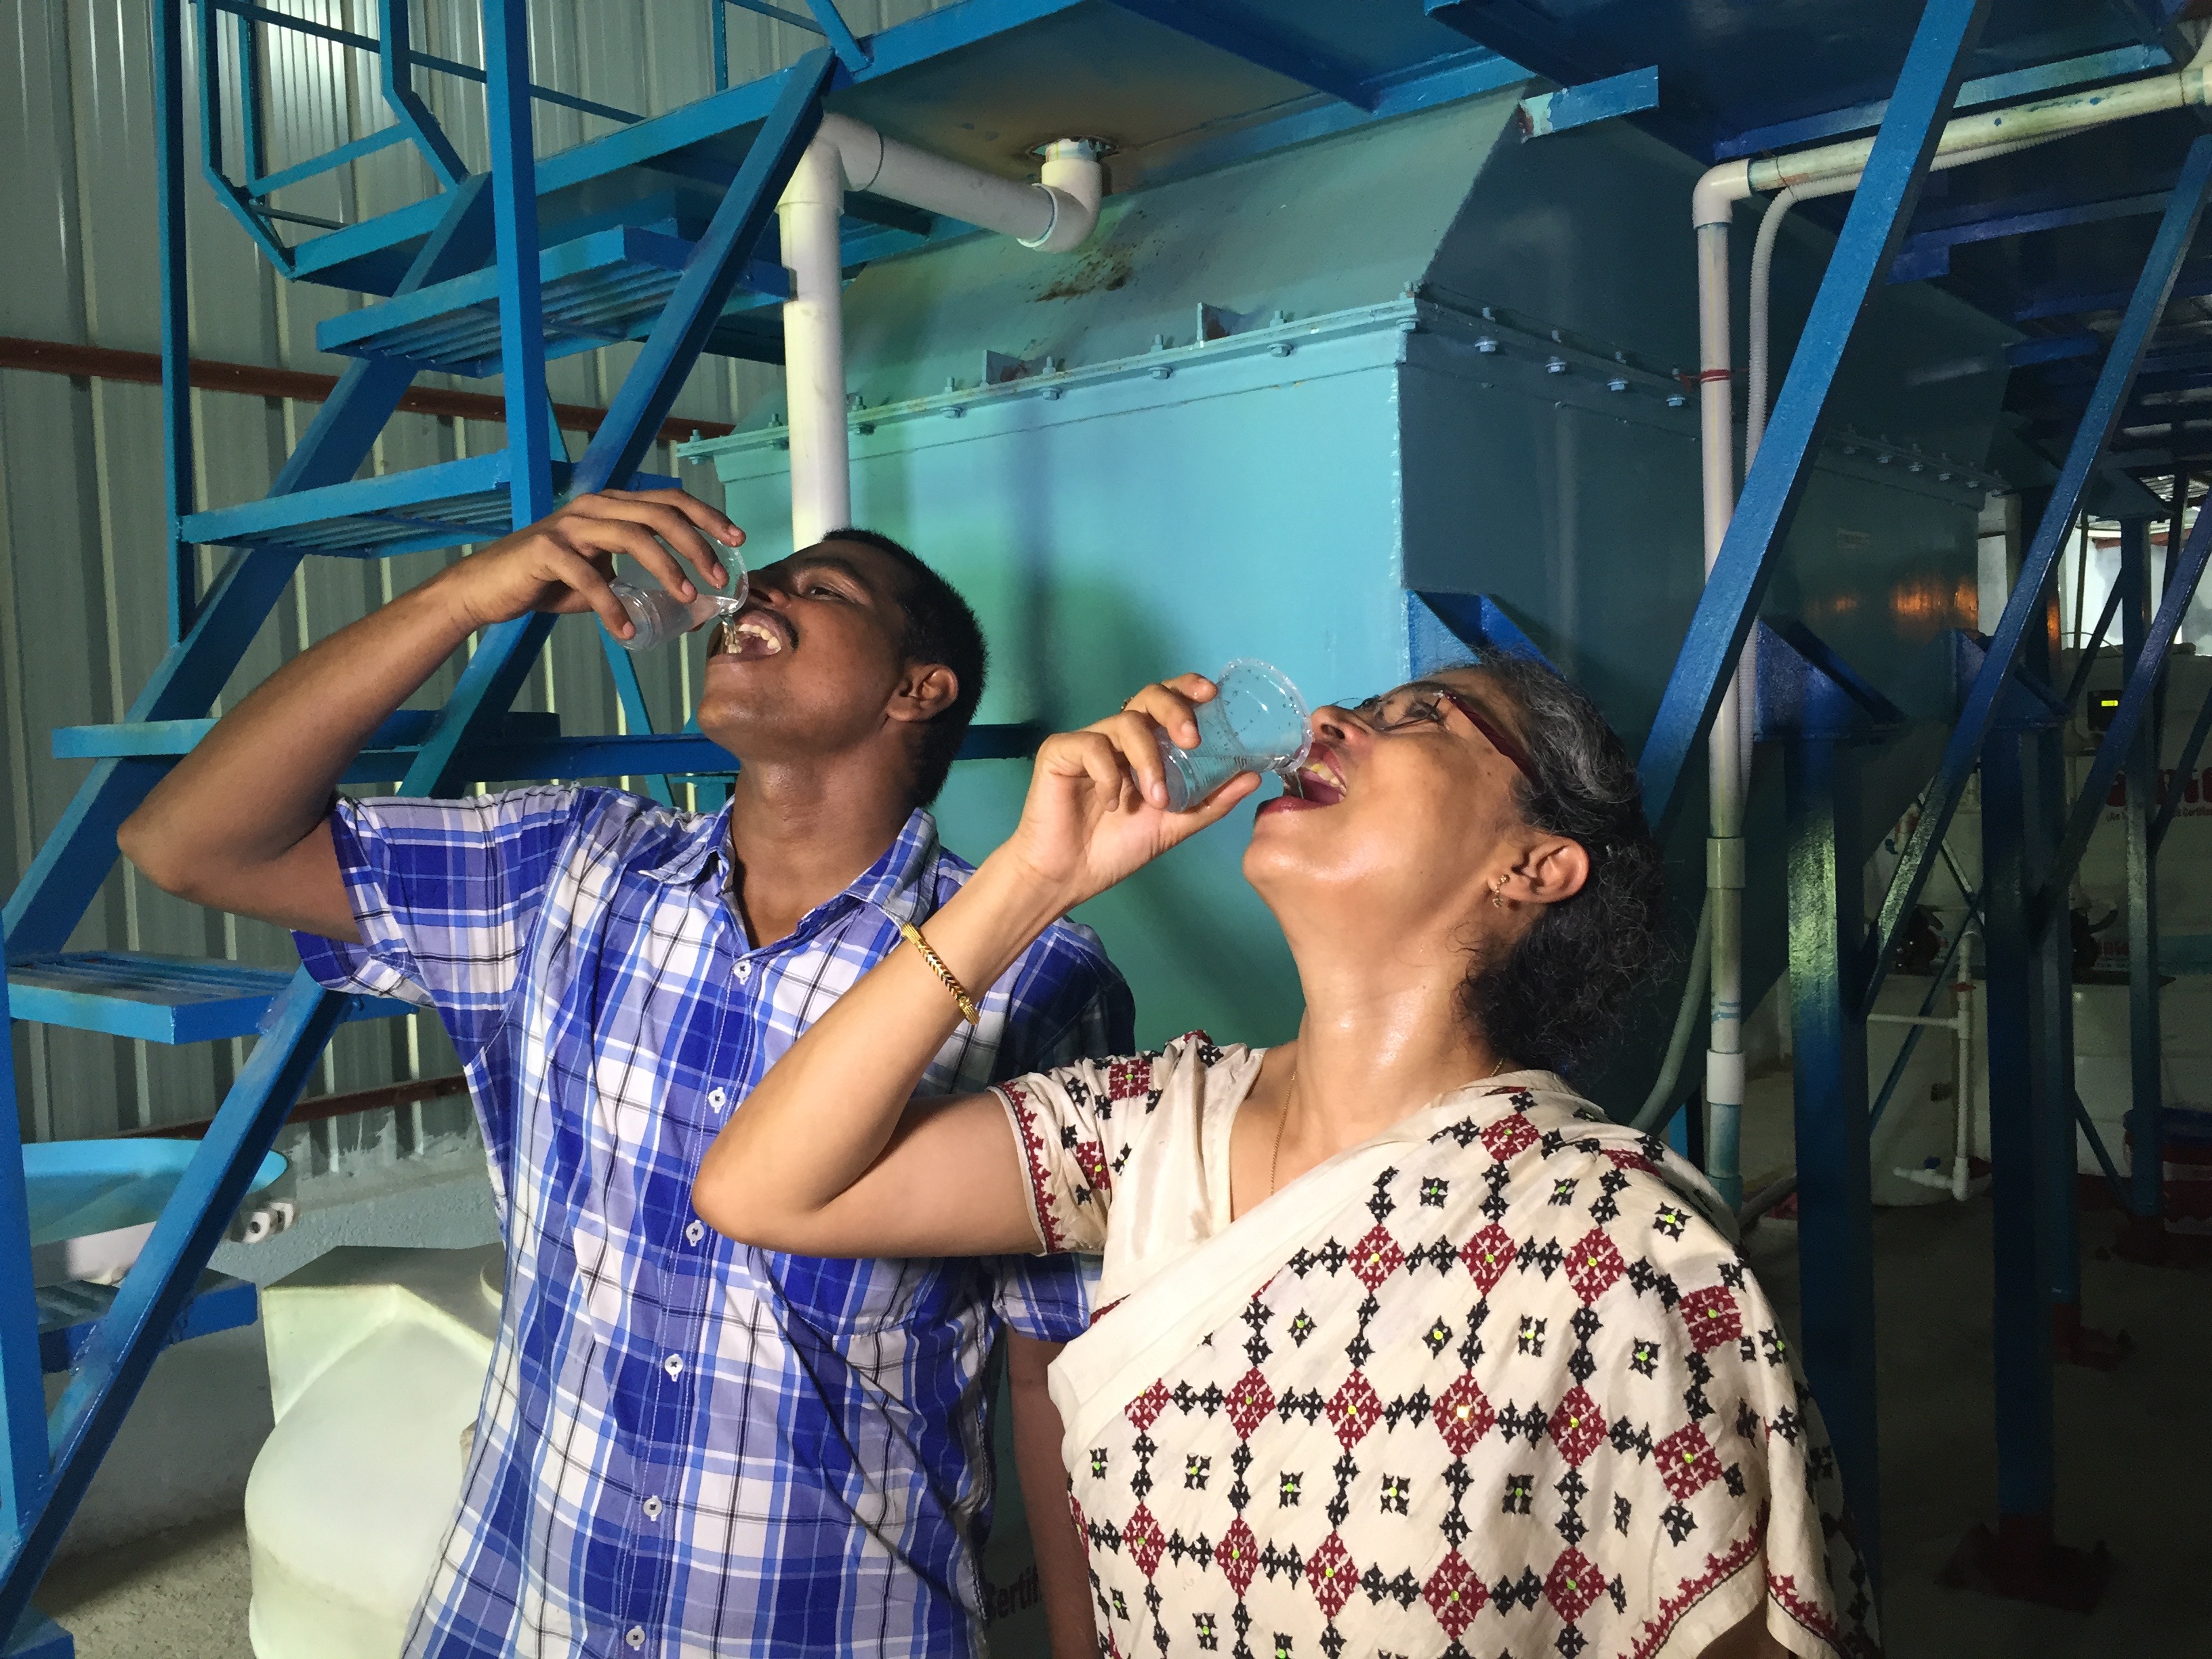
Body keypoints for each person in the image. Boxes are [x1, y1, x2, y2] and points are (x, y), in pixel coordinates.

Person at [692, 659, 1880, 1659]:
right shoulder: (1154, 1127)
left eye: (1422, 717)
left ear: (1533, 867)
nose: (1330, 723)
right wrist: (1031, 880)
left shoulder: (1621, 1246)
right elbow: (763, 1187)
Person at [119, 487, 1123, 1658]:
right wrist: (465, 595)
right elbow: (184, 843)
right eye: (766, 578)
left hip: (827, 1621)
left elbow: (1057, 1370)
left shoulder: (1036, 974)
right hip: (518, 1610)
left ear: (918, 689)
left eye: (821, 588)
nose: (759, 594)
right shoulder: (566, 869)